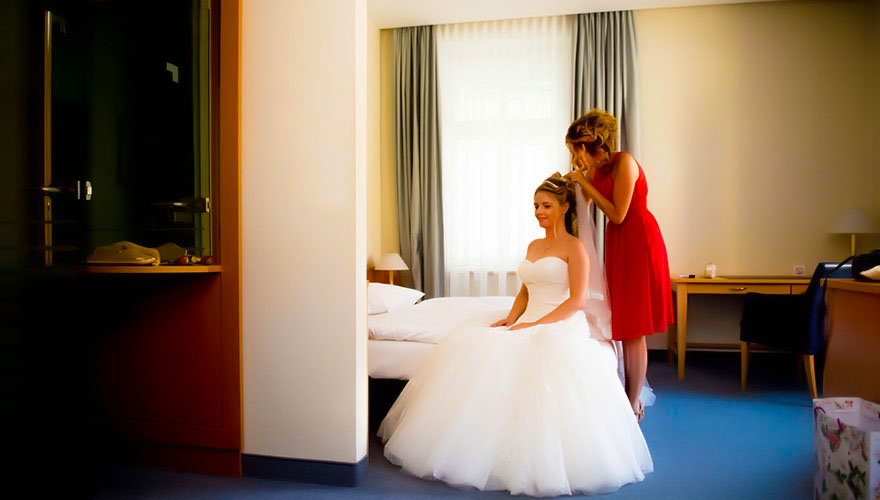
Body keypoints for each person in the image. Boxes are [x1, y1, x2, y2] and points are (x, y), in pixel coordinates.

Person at [378, 176, 652, 497]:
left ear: (565, 208)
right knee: (478, 345)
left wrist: (537, 325)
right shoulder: (534, 246)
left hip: (559, 322)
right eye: (535, 206)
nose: (538, 212)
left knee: (543, 361)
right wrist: (512, 317)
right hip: (529, 318)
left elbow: (576, 300)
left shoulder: (575, 248)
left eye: (546, 206)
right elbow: (525, 289)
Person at [565, 109, 673, 422]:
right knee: (623, 321)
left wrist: (585, 184)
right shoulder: (596, 171)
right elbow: (582, 205)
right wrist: (568, 188)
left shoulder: (624, 162)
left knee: (635, 327)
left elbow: (617, 214)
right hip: (618, 245)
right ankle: (629, 393)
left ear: (585, 146)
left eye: (574, 150)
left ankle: (633, 400)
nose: (574, 157)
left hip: (639, 242)